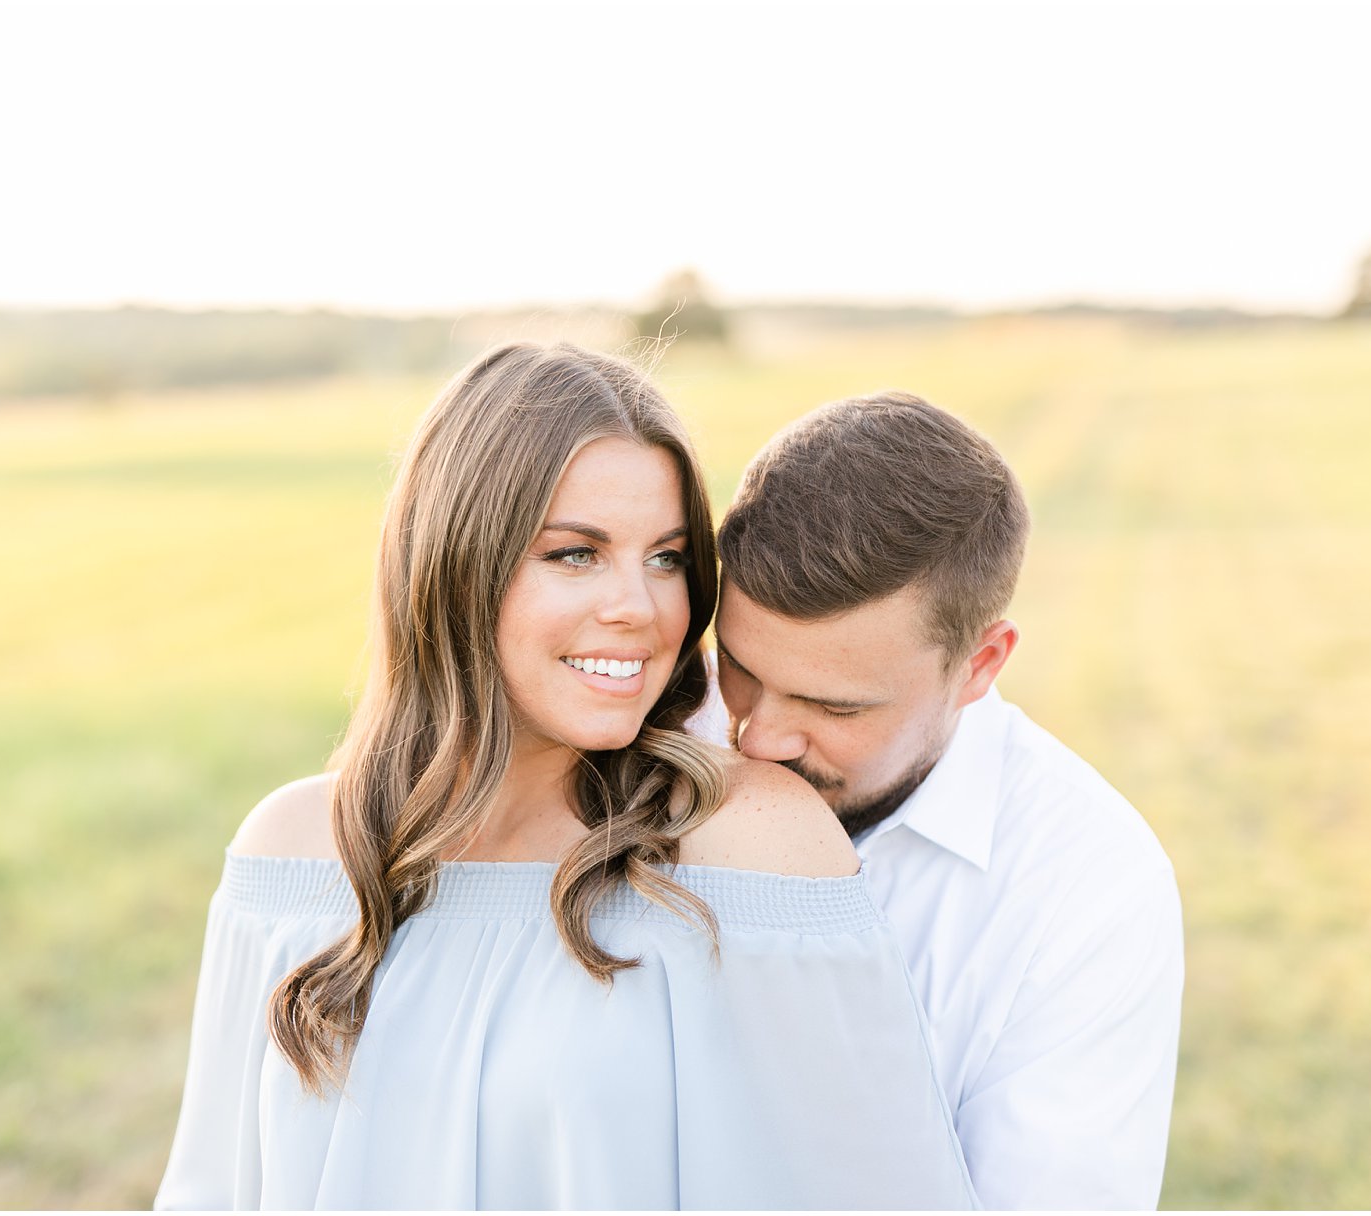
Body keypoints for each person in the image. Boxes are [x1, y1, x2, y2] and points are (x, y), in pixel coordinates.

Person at [154, 346, 977, 1210]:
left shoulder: (749, 844)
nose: (640, 607)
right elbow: (214, 1190)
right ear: (455, 567)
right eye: (576, 554)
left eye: (665, 558)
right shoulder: (290, 856)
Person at [698, 391, 1184, 1209]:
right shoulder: (639, 746)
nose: (756, 738)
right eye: (741, 666)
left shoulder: (1089, 888)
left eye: (835, 707)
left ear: (981, 663)